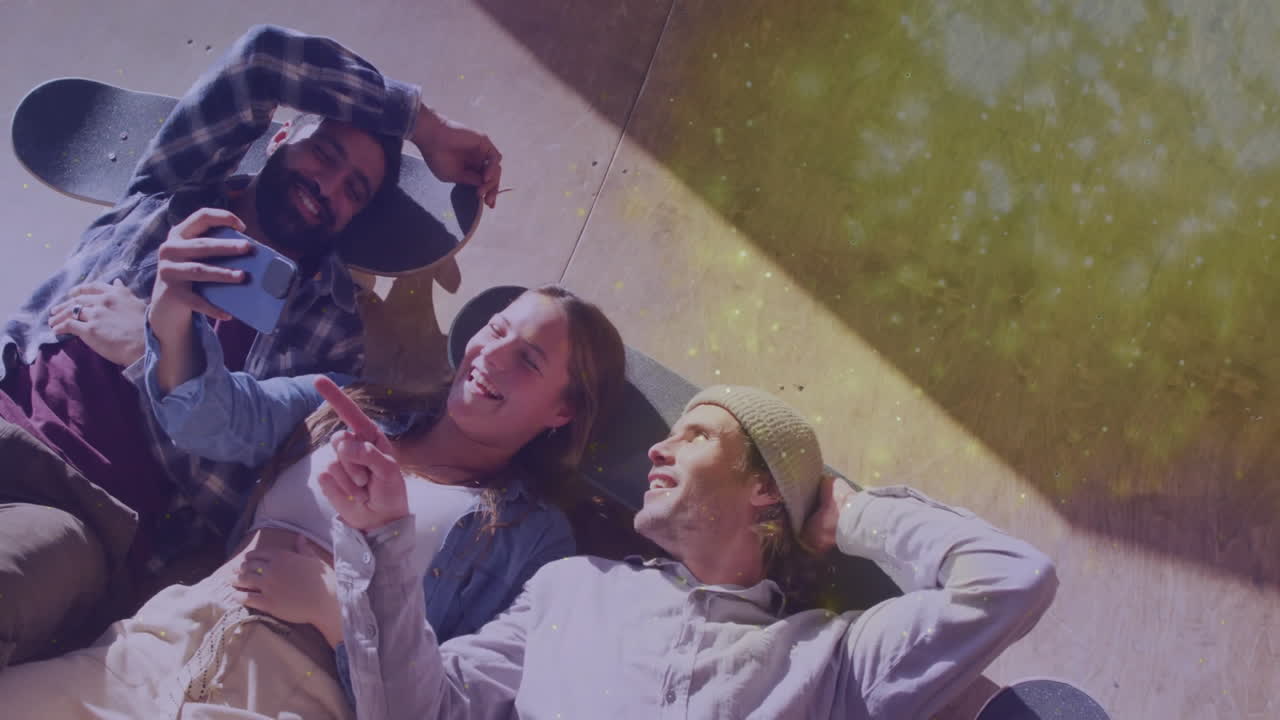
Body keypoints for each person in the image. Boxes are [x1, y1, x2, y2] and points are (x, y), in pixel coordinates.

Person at [0, 23, 503, 668]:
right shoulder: (177, 187)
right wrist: (423, 127)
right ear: (283, 136)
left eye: (355, 190)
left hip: (85, 515)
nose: (329, 187)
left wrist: (149, 351)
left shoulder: (330, 336)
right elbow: (265, 57)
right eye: (326, 155)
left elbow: (235, 494)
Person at [0, 280, 627, 718]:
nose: (491, 356)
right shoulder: (353, 404)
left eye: (528, 360)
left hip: (286, 696)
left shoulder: (536, 538)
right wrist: (167, 319)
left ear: (562, 411)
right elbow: (224, 416)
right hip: (157, 642)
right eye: (494, 330)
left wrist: (338, 612)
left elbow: (444, 705)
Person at [317, 385, 1059, 720]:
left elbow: (1011, 582)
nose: (658, 447)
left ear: (765, 489)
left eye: (697, 435)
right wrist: (383, 540)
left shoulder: (830, 663)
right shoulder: (567, 590)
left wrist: (858, 515)